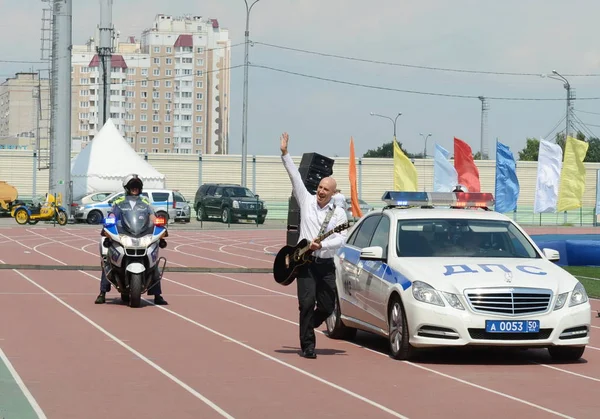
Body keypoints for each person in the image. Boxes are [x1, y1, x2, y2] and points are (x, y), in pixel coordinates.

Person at [280, 132, 348, 359]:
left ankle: (309, 325)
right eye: (319, 187)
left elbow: (341, 239)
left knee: (328, 307)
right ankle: (307, 345)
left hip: (325, 264)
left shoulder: (338, 214)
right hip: (305, 265)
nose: (320, 191)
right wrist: (285, 153)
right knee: (306, 303)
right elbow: (295, 178)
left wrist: (323, 247)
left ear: (332, 194)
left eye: (325, 190)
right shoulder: (307, 200)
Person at [94, 174, 168, 305]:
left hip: (141, 235)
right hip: (124, 235)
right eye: (132, 187)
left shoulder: (145, 202)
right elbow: (112, 215)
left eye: (137, 187)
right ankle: (102, 293)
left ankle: (157, 295)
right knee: (108, 262)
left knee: (153, 264)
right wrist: (109, 222)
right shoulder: (119, 202)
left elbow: (152, 216)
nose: (135, 189)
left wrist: (158, 226)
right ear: (127, 188)